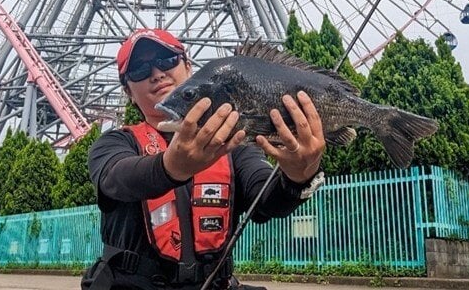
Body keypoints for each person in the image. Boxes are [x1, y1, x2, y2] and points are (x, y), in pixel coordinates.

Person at [81, 28, 326, 290]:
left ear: (189, 67)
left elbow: (266, 201)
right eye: (140, 70)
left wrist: (297, 176)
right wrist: (170, 167)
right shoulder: (115, 143)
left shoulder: (234, 144)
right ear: (128, 91)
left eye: (167, 60)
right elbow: (117, 178)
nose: (157, 73)